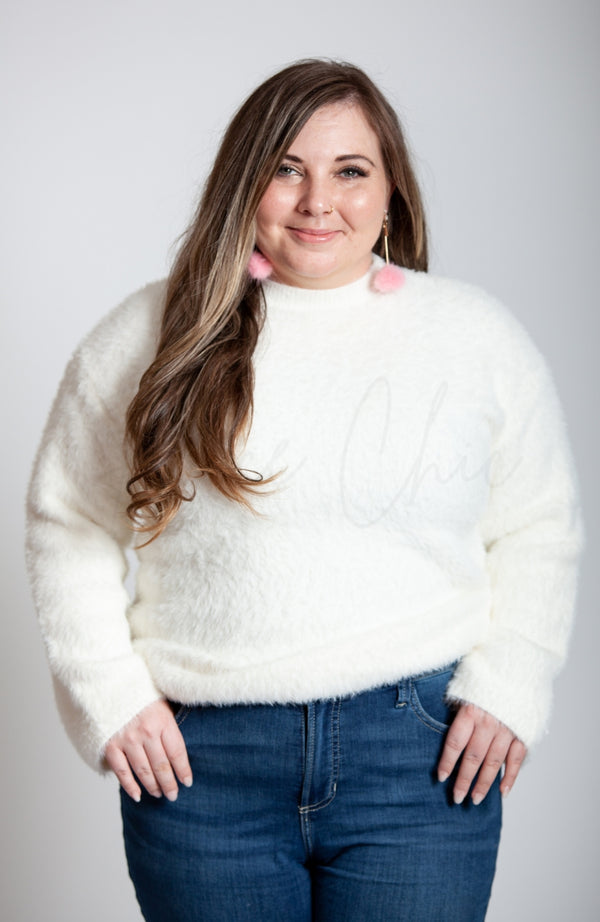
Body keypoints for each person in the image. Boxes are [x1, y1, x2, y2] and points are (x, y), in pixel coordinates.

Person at [25, 59, 583, 922]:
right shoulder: (148, 334)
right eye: (287, 168)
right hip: (205, 767)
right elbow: (68, 521)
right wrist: (108, 695)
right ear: (244, 184)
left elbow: (539, 524)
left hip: (417, 760)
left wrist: (513, 683)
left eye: (350, 171)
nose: (318, 200)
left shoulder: (473, 338)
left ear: (390, 191)